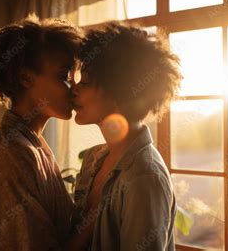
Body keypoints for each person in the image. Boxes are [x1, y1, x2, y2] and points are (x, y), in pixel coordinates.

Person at [0, 15, 88, 251]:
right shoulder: (12, 154)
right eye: (63, 76)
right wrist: (96, 212)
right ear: (25, 78)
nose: (73, 89)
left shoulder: (33, 143)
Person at [70, 22, 183, 250]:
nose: (74, 88)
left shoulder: (144, 178)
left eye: (87, 80)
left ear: (117, 92)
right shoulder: (94, 158)